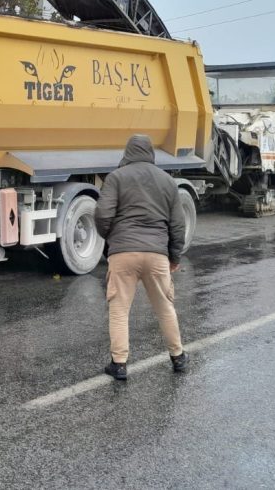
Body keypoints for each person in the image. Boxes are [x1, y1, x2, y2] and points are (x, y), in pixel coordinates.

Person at [93, 134, 188, 381]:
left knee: (119, 309)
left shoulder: (116, 178)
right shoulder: (167, 181)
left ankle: (119, 364)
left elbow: (103, 214)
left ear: (127, 152)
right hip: (157, 253)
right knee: (165, 307)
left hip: (123, 252)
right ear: (150, 153)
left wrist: (111, 238)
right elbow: (178, 224)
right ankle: (178, 357)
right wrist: (174, 256)